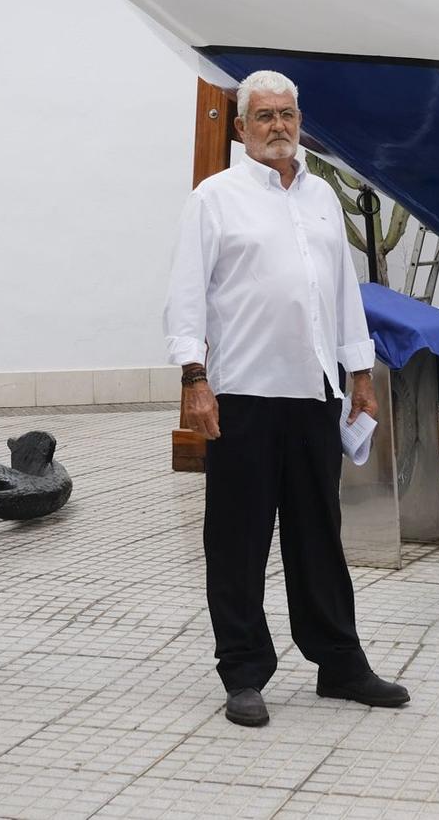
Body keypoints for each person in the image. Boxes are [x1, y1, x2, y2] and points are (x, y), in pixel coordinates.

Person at [164, 70, 410, 729]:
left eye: (288, 114)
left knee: (318, 535)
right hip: (241, 394)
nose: (278, 125)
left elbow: (341, 294)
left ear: (300, 122)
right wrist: (194, 378)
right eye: (264, 116)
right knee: (237, 539)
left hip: (313, 395)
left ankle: (339, 663)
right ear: (242, 128)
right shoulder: (214, 200)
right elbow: (186, 296)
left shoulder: (323, 196)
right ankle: (243, 672)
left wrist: (359, 374)